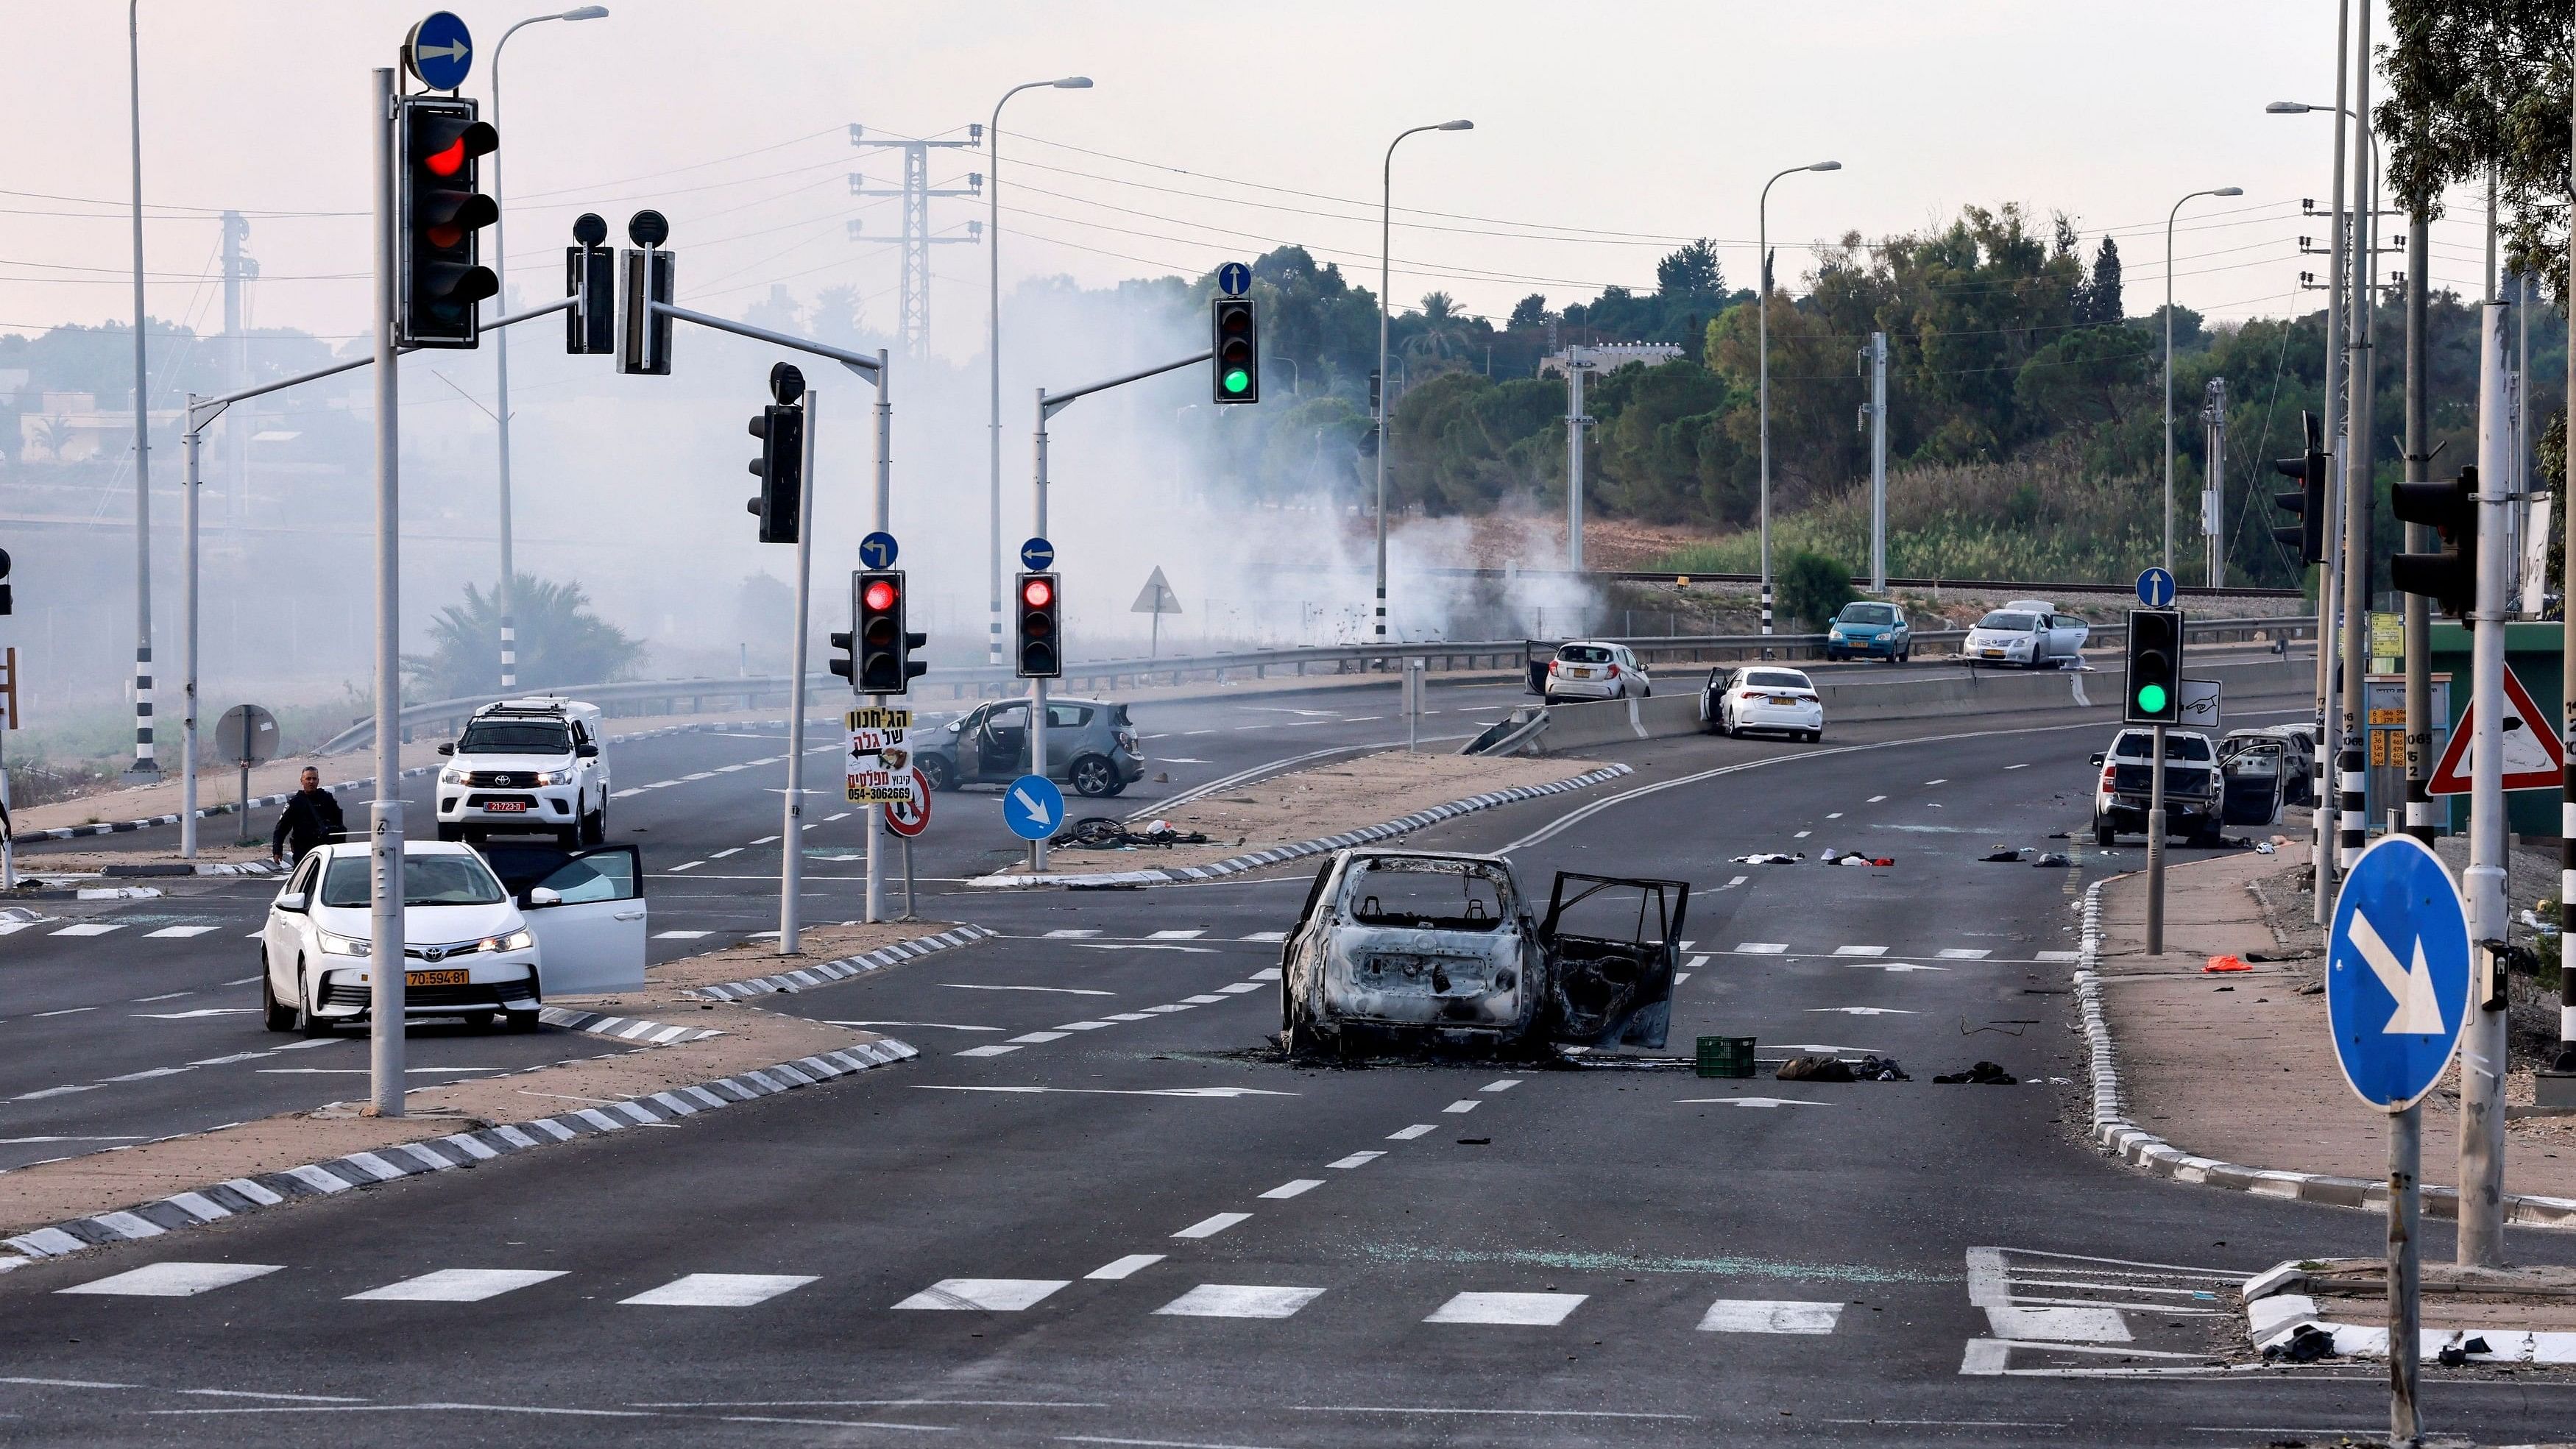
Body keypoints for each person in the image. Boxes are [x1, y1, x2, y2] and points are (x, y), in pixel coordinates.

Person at [271, 766, 346, 865]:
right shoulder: (295, 802)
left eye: (314, 779)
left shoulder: (327, 799)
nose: (311, 782)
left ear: (318, 781)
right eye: (308, 779)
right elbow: (281, 829)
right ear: (302, 781)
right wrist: (277, 851)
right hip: (304, 852)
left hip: (325, 851)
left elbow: (339, 825)